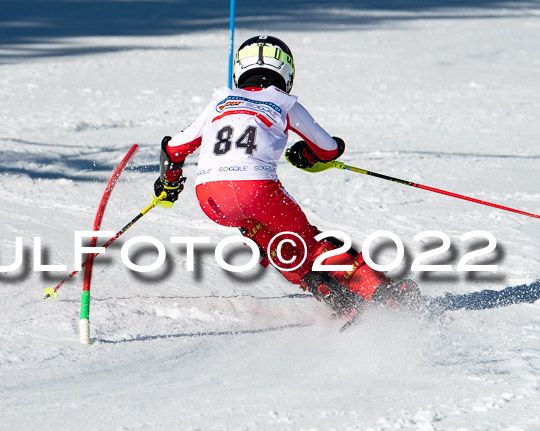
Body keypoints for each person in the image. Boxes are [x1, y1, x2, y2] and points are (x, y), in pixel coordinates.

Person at [153, 35, 420, 325]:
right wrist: (305, 154)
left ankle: (332, 295)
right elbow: (327, 149)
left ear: (239, 71)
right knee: (313, 243)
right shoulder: (283, 102)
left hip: (211, 199)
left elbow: (174, 149)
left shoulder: (220, 101)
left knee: (272, 240)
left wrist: (169, 184)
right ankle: (381, 293)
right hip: (256, 189)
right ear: (287, 73)